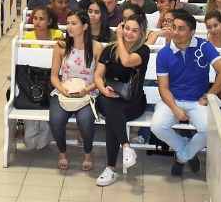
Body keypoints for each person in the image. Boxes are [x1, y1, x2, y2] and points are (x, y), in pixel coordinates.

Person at [153, 10, 221, 177]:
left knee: (208, 130)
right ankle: (186, 149)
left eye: (181, 29)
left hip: (197, 101)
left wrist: (208, 95)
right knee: (157, 127)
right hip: (171, 100)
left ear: (192, 32)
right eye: (173, 27)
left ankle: (182, 157)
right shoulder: (164, 53)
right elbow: (163, 88)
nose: (175, 32)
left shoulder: (204, 46)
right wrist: (175, 108)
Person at [94, 14, 152, 186]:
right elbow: (97, 75)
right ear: (122, 26)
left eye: (135, 30)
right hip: (109, 98)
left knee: (112, 116)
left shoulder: (143, 51)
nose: (129, 33)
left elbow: (126, 61)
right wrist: (103, 88)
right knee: (108, 103)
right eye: (127, 28)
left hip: (133, 102)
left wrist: (118, 37)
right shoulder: (109, 49)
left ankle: (111, 168)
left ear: (141, 33)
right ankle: (126, 148)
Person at [49, 10, 102, 172]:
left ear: (85, 26)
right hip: (64, 91)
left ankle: (87, 153)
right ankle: (62, 152)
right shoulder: (61, 46)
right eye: (68, 23)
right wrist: (61, 89)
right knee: (56, 120)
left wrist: (87, 89)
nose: (69, 27)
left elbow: (100, 78)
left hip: (88, 92)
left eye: (74, 23)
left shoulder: (97, 47)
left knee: (85, 120)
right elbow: (54, 76)